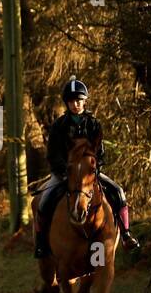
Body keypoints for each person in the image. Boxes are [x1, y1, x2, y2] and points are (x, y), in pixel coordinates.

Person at [34, 78, 140, 258]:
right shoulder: (59, 126)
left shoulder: (94, 124)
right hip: (63, 174)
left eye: (79, 100)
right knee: (44, 201)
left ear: (85, 100)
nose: (76, 104)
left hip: (89, 174)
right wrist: (64, 172)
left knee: (118, 191)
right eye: (71, 101)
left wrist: (93, 169)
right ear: (67, 103)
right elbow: (53, 154)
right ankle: (42, 243)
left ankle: (126, 234)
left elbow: (100, 151)